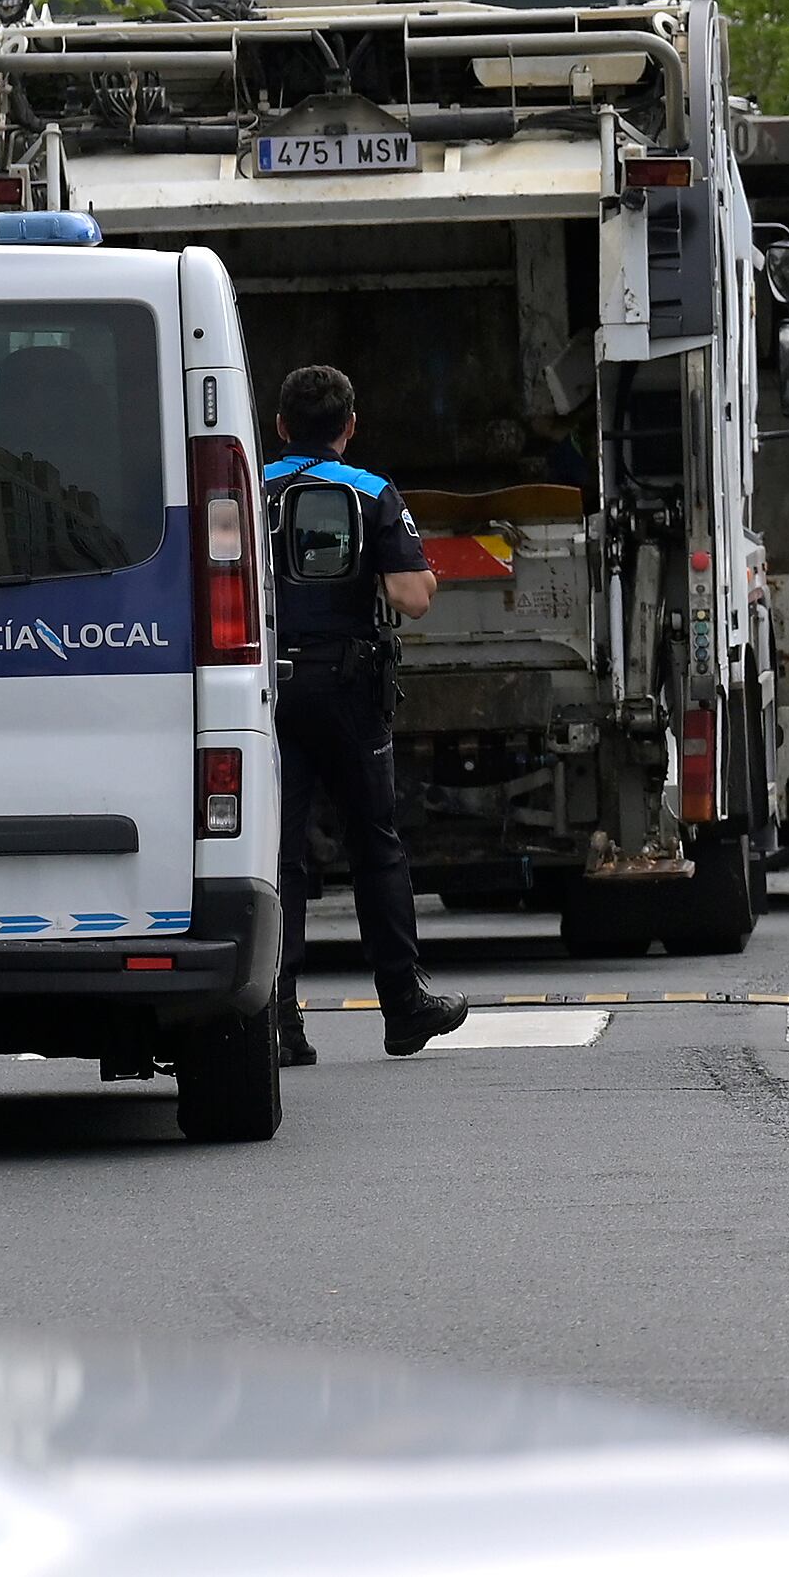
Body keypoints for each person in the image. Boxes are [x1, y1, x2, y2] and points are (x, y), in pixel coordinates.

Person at [264, 365, 469, 1066]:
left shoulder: (243, 487)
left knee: (279, 853)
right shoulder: (372, 492)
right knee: (375, 845)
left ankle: (280, 1022)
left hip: (266, 691)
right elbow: (413, 597)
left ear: (281, 426)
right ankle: (403, 1008)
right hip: (349, 691)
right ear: (349, 427)